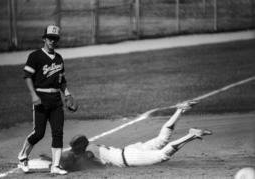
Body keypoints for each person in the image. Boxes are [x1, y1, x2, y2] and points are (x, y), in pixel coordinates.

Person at [30, 100, 212, 171]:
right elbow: (71, 154)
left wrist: (55, 161)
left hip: (130, 156)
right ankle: (180, 111)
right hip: (131, 149)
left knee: (162, 155)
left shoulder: (88, 153)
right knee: (160, 140)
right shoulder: (91, 147)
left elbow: (72, 161)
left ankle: (191, 135)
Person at [17, 25, 77, 175]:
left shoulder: (59, 58)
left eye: (55, 39)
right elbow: (27, 76)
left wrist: (67, 94)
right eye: (50, 38)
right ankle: (23, 156)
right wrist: (33, 95)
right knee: (39, 133)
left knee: (58, 132)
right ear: (44, 39)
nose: (52, 41)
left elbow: (61, 80)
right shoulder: (35, 56)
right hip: (41, 98)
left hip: (56, 99)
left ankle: (55, 166)